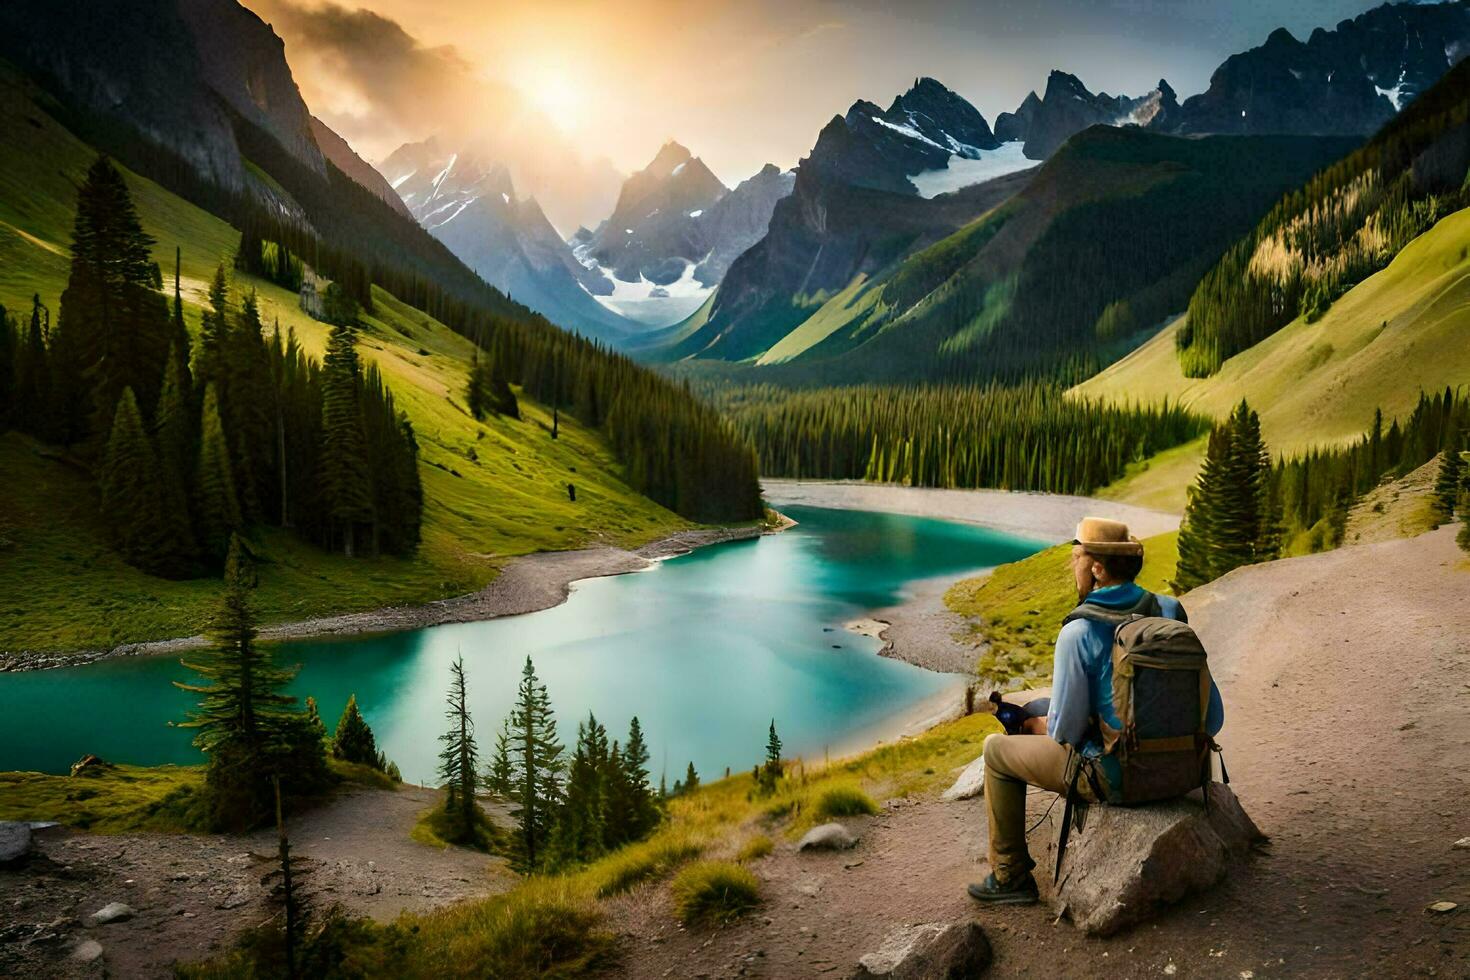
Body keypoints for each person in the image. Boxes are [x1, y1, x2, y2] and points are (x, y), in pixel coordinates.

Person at [967, 517, 1225, 905]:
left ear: (1097, 569)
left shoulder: (1078, 632)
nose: (1073, 566)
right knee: (1044, 709)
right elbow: (1214, 717)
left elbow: (1066, 733)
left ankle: (1010, 877)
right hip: (1186, 772)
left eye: (1076, 558)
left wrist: (1040, 726)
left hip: (1122, 780)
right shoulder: (1170, 610)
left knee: (996, 751)